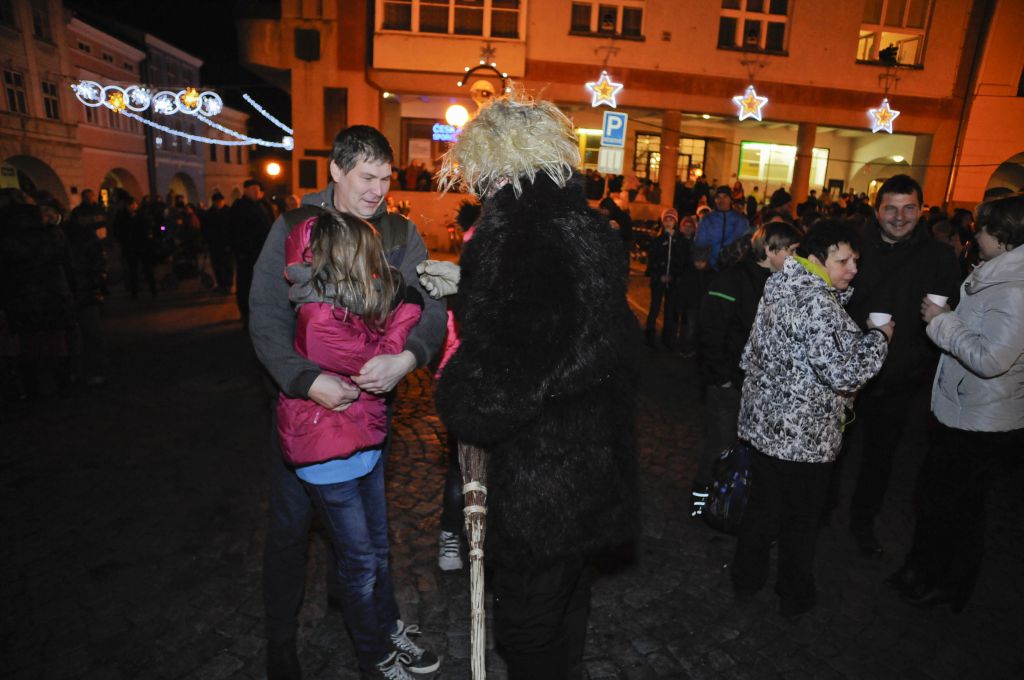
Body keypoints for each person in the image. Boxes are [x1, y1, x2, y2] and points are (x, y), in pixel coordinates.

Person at [432, 94, 639, 680]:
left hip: (541, 477)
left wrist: (457, 397)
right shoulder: (589, 227)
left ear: (499, 165)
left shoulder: (517, 233)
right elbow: (591, 336)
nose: (479, 188)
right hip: (592, 460)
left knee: (526, 626)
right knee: (568, 600)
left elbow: (509, 373)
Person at [249, 125, 445, 680]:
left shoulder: (400, 233)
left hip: (370, 416)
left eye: (386, 178)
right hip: (305, 414)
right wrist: (303, 379)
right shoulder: (294, 225)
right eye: (366, 177)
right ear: (336, 169)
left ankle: (370, 623)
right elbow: (266, 314)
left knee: (367, 540)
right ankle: (281, 640)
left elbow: (429, 307)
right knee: (291, 532)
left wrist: (407, 358)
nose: (377, 190)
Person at [731, 219, 892, 618]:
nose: (853, 268)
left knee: (762, 509)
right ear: (817, 259)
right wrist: (879, 339)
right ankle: (794, 595)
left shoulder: (781, 283)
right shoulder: (817, 303)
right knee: (801, 522)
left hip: (765, 426)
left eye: (856, 260)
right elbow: (844, 373)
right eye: (843, 261)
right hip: (804, 438)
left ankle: (746, 579)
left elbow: (758, 352)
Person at [889, 194, 1024, 614]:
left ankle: (948, 585)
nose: (974, 235)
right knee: (933, 498)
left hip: (982, 422)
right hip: (962, 411)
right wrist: (950, 317)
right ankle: (921, 568)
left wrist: (942, 321)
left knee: (960, 510)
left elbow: (991, 358)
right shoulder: (995, 273)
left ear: (1001, 236)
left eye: (981, 229)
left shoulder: (1015, 289)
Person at [836, 175, 962, 556]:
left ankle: (863, 523)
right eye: (890, 208)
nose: (900, 217)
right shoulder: (853, 248)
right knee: (833, 448)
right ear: (877, 211)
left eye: (909, 208)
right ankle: (820, 510)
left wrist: (943, 315)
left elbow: (953, 311)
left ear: (921, 210)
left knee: (881, 457)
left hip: (899, 375)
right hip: (847, 371)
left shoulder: (939, 256)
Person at [692, 221, 802, 515]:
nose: (796, 257)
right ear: (769, 249)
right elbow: (711, 330)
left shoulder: (780, 282)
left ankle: (730, 503)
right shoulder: (732, 279)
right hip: (729, 383)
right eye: (791, 250)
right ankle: (701, 501)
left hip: (757, 384)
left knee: (746, 449)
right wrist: (723, 377)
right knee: (720, 444)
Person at [229, 179, 274, 326]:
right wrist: (240, 251)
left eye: (258, 190)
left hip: (262, 254)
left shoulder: (263, 205)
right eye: (253, 190)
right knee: (246, 286)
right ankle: (246, 315)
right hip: (247, 254)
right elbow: (234, 231)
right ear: (246, 190)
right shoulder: (239, 207)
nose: (256, 192)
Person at [644, 208, 689, 349]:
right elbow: (652, 261)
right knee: (654, 308)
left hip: (673, 282)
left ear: (675, 222)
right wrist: (659, 276)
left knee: (669, 311)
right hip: (658, 281)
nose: (668, 222)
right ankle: (649, 337)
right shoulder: (657, 240)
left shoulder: (680, 241)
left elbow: (682, 261)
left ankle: (667, 339)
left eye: (671, 219)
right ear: (663, 222)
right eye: (666, 220)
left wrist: (673, 276)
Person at [696, 185, 750, 271]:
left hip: (734, 268)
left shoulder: (741, 221)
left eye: (725, 196)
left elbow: (745, 243)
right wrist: (702, 260)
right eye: (718, 197)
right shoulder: (706, 220)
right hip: (710, 267)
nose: (721, 200)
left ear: (730, 199)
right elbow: (700, 242)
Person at [201, 192, 233, 293]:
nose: (218, 203)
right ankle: (221, 284)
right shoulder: (209, 214)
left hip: (227, 244)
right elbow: (205, 230)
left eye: (220, 201)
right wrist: (206, 242)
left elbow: (233, 228)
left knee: (228, 265)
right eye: (216, 202)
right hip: (214, 244)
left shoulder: (229, 212)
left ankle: (228, 284)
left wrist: (231, 242)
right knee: (217, 265)